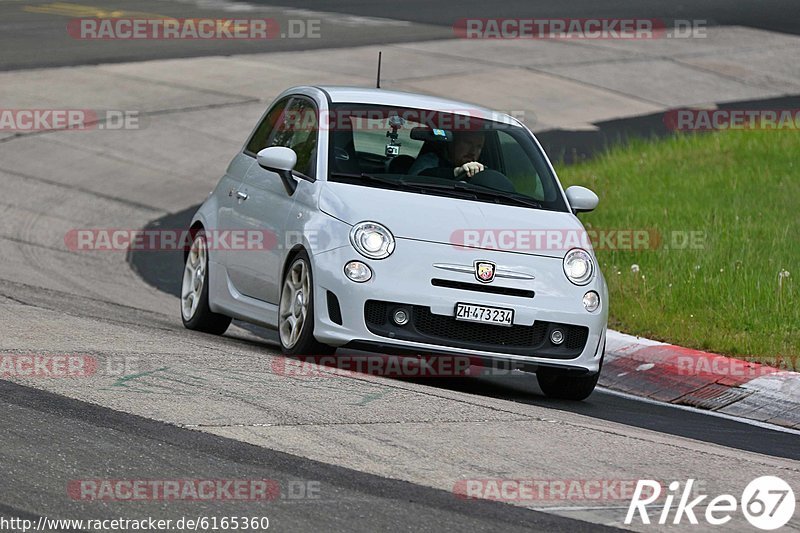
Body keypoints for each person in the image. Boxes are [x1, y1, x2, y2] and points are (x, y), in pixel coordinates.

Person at [409, 130, 486, 179]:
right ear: (452, 143)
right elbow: (415, 179)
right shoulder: (431, 160)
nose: (473, 151)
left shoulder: (482, 171)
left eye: (479, 147)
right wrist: (456, 172)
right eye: (468, 143)